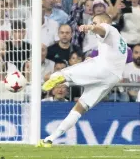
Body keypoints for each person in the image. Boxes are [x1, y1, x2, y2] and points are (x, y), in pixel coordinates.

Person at [37, 13, 127, 147]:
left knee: (65, 72)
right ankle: (50, 139)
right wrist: (95, 59)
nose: (94, 24)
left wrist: (90, 27)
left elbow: (102, 29)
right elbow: (112, 56)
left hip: (104, 69)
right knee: (80, 108)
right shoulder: (121, 41)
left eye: (95, 22)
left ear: (103, 21)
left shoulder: (109, 28)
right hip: (112, 78)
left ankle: (54, 81)